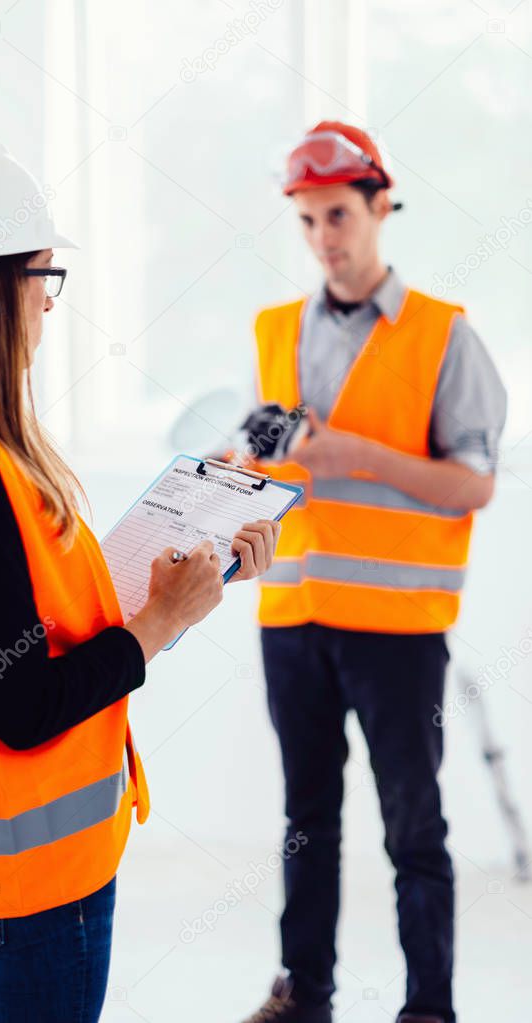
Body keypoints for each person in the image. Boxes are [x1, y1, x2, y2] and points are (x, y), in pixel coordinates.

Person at [0, 138, 280, 1023]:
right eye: (45, 280)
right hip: (30, 878)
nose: (49, 310)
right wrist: (159, 627)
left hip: (26, 866)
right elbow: (21, 706)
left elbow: (39, 613)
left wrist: (193, 576)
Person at [237, 122, 507, 1023]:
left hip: (397, 631)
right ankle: (302, 995)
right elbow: (265, 462)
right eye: (309, 220)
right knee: (304, 819)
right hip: (292, 617)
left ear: (380, 205)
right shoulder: (273, 331)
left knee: (413, 828)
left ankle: (428, 1007)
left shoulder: (442, 335)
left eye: (339, 215)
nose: (325, 237)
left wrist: (356, 454)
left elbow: (471, 482)